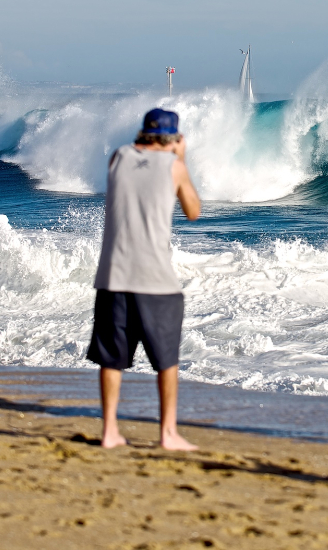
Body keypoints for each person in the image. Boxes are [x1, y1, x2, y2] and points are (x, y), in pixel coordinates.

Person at [86, 108, 202, 451]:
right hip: (156, 281)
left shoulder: (118, 157)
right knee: (166, 359)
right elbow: (194, 212)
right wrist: (181, 158)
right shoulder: (174, 166)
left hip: (113, 276)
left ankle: (109, 432)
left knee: (112, 357)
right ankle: (167, 434)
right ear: (174, 138)